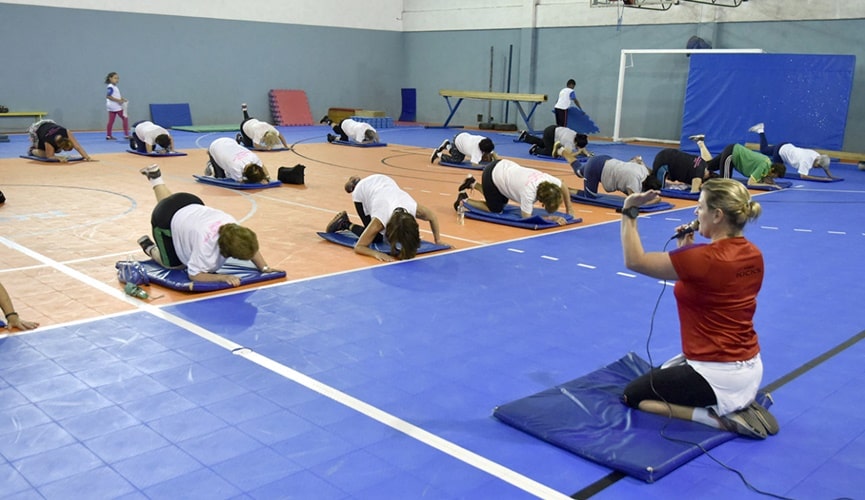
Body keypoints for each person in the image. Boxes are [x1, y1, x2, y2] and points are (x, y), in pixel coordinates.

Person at [618, 178, 779, 439]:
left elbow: (635, 261)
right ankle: (734, 402)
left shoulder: (702, 259)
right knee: (666, 375)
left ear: (717, 215)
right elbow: (713, 286)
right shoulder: (753, 254)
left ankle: (715, 418)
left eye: (701, 206)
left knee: (634, 395)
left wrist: (629, 211)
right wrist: (687, 252)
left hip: (716, 376)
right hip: (750, 369)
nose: (696, 212)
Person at [136, 164, 277, 286]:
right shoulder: (206, 249)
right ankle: (149, 247)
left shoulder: (234, 226)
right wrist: (222, 277)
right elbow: (194, 275)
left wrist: (264, 267)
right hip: (164, 218)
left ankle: (156, 178)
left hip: (189, 201)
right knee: (176, 265)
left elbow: (250, 246)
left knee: (170, 203)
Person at [324, 174, 442, 262]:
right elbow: (359, 246)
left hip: (384, 183)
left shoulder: (412, 206)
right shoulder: (380, 220)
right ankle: (344, 223)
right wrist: (375, 253)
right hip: (364, 191)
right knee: (376, 238)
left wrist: (438, 240)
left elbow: (433, 217)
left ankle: (358, 182)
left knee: (389, 236)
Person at [453, 158, 575, 225]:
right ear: (542, 201)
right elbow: (527, 217)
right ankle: (463, 200)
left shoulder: (548, 180)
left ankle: (472, 183)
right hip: (492, 175)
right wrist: (550, 218)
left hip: (503, 165)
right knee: (497, 209)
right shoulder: (528, 194)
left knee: (500, 199)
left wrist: (570, 209)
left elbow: (563, 185)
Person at [691, 135, 785, 188]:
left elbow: (763, 175)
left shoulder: (768, 164)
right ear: (773, 170)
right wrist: (768, 185)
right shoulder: (764, 166)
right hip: (732, 154)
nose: (773, 178)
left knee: (708, 166)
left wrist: (766, 180)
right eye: (774, 176)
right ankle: (701, 184)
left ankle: (700, 142)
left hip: (733, 150)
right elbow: (750, 183)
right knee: (725, 183)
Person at [747, 122, 834, 180]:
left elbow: (824, 164)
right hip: (780, 153)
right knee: (777, 173)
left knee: (764, 150)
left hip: (786, 146)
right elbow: (803, 176)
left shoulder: (817, 155)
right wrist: (821, 179)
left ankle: (760, 130)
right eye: (818, 166)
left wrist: (830, 176)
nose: (817, 168)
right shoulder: (806, 161)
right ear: (817, 162)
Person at [560, 147, 649, 197]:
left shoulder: (645, 170)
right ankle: (562, 188)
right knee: (590, 197)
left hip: (605, 159)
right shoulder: (634, 181)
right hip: (595, 169)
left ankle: (561, 150)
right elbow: (632, 200)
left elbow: (637, 158)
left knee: (578, 171)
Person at [205, 137, 271, 184]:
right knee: (220, 177)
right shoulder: (236, 168)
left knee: (228, 171)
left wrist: (267, 178)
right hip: (215, 147)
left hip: (229, 141)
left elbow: (262, 166)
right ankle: (210, 165)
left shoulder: (254, 158)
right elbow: (241, 182)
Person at [648, 147, 714, 193]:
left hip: (668, 154)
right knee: (657, 189)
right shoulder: (698, 175)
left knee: (653, 177)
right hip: (664, 162)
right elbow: (694, 192)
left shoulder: (702, 162)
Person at [553, 78, 591, 156]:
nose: (573, 88)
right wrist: (581, 109)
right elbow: (575, 100)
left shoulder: (562, 90)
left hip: (557, 107)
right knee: (563, 127)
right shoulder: (571, 91)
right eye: (573, 86)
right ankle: (562, 144)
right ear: (571, 85)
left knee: (558, 126)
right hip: (563, 109)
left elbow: (558, 100)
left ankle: (557, 141)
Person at [26, 119, 93, 162]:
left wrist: (87, 157)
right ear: (61, 146)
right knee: (46, 154)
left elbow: (77, 146)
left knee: (57, 151)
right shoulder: (49, 141)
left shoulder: (66, 131)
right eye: (65, 149)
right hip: (36, 130)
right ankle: (32, 150)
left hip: (49, 124)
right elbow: (49, 156)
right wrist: (58, 158)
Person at [516, 125, 592, 158]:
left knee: (543, 143)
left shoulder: (577, 135)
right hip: (550, 133)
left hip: (553, 129)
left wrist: (587, 154)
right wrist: (579, 152)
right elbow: (568, 155)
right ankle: (535, 150)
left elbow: (582, 147)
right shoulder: (569, 141)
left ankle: (525, 136)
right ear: (576, 143)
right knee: (550, 152)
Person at [430, 132, 497, 166]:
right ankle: (438, 154)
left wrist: (497, 161)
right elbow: (474, 164)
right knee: (457, 159)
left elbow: (492, 152)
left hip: (462, 135)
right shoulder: (476, 151)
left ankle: (447, 145)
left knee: (456, 152)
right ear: (483, 151)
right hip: (458, 142)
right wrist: (485, 167)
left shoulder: (485, 140)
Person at [105, 72, 129, 141]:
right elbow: (108, 96)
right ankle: (126, 134)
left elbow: (116, 95)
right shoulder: (110, 87)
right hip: (115, 106)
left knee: (111, 121)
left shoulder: (114, 87)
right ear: (110, 78)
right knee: (125, 117)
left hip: (112, 106)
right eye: (115, 78)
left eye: (118, 78)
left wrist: (122, 99)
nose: (117, 80)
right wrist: (119, 100)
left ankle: (108, 135)